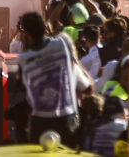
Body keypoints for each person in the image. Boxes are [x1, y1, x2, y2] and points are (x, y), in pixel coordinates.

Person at [16, 11, 90, 145]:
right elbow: (75, 67)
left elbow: (22, 86)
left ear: (26, 33)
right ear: (45, 27)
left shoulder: (24, 59)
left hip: (40, 123)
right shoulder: (62, 43)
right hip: (67, 120)